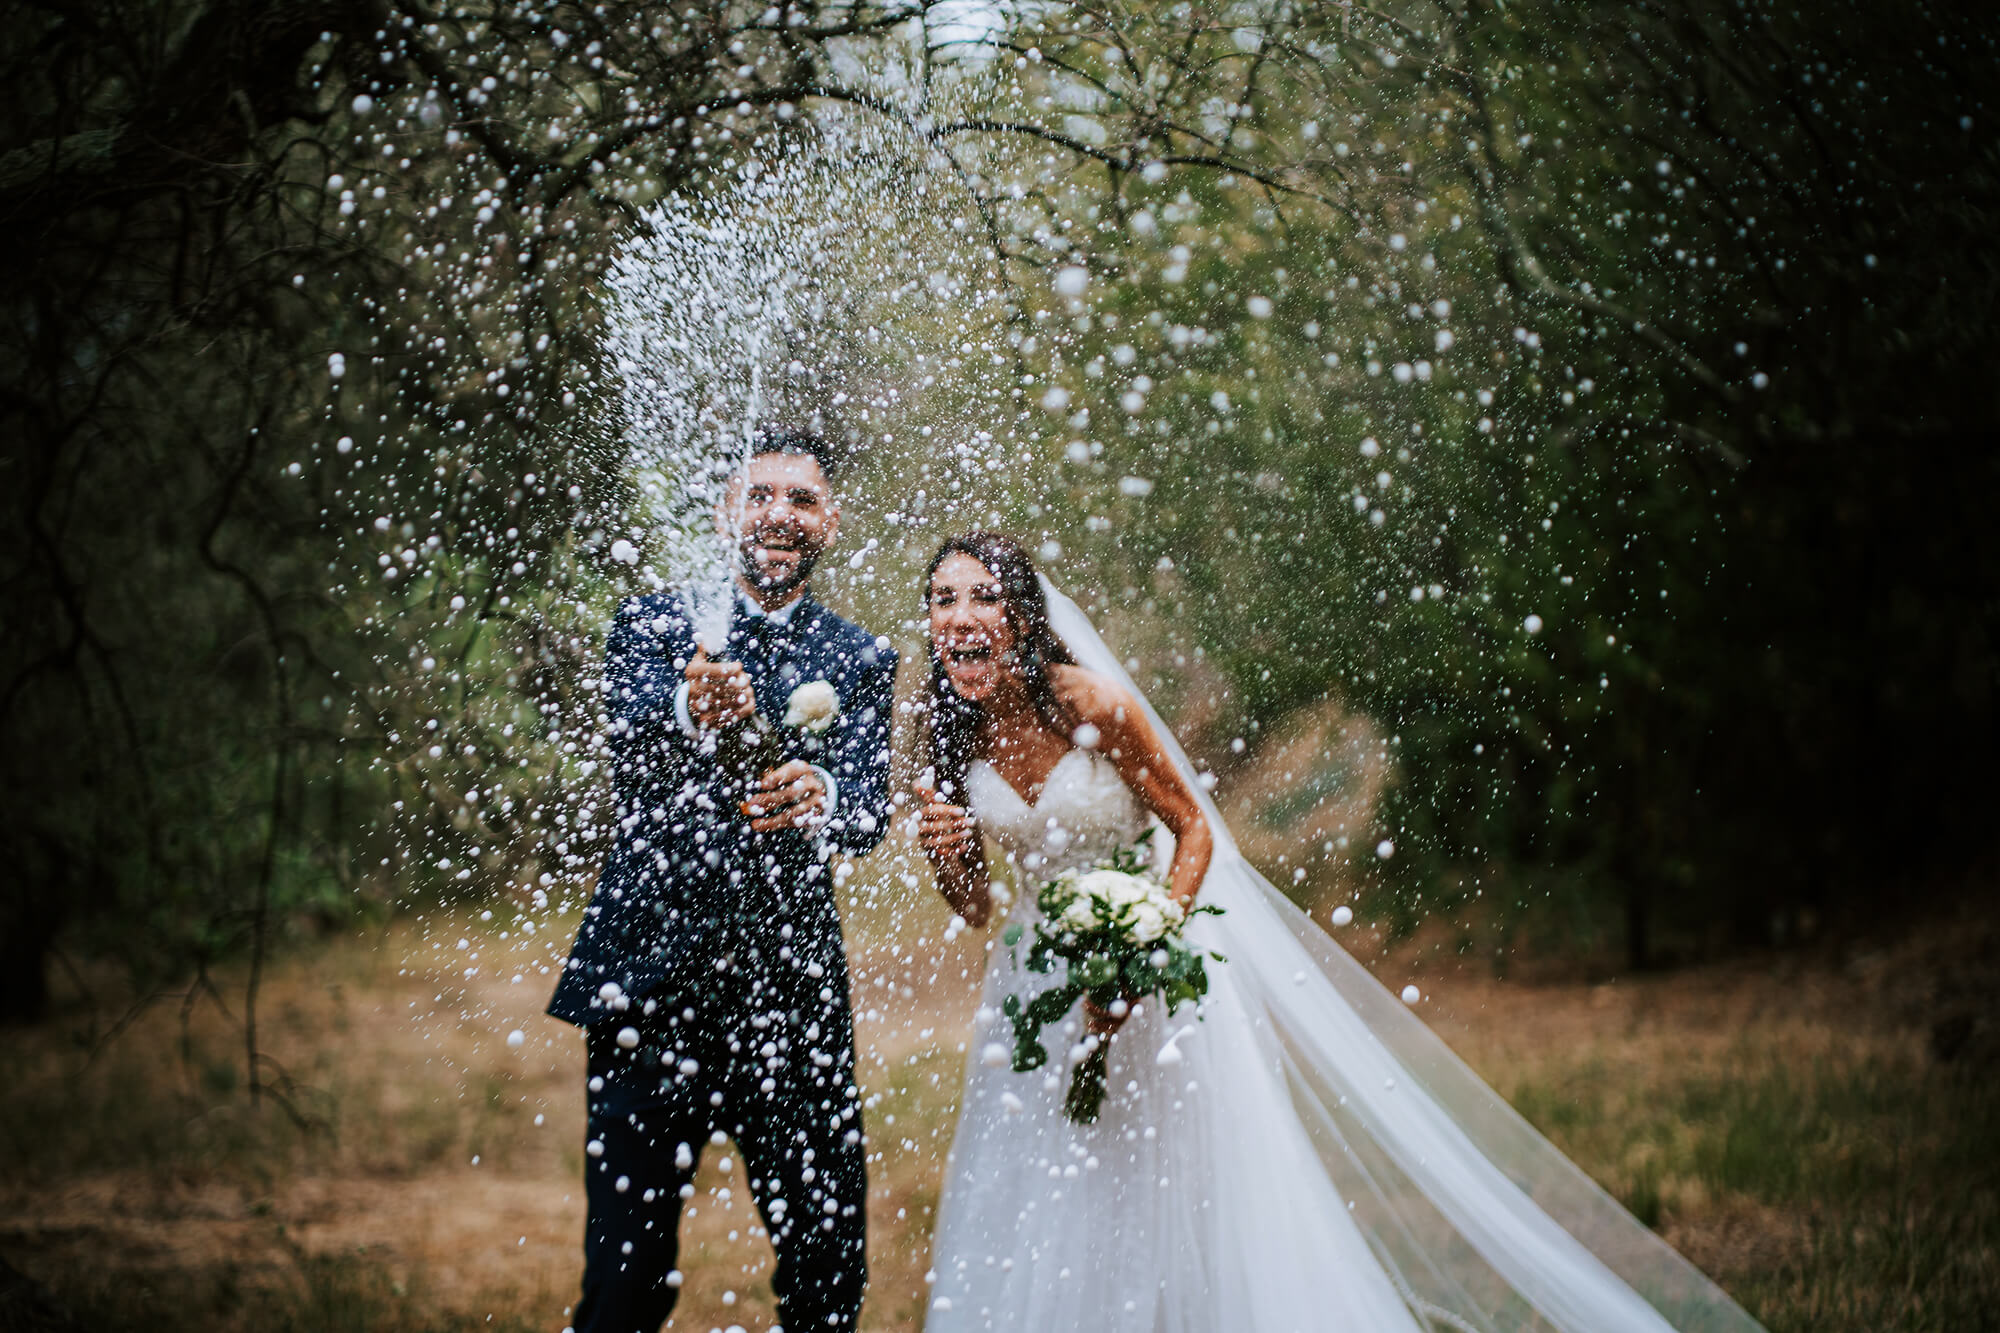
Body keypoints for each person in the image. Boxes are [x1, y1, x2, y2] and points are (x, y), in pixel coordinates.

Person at [913, 531, 1767, 1333]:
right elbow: (979, 906)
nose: (958, 617)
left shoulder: (1089, 704)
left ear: (1020, 618)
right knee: (1052, 1191)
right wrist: (945, 853)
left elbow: (1196, 828)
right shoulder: (946, 733)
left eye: (979, 598)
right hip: (1035, 989)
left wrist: (1143, 951)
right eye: (942, 599)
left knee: (1172, 1186)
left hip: (1152, 978)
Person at [547, 428, 896, 1333]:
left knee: (828, 1271)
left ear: (832, 522)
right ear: (725, 514)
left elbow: (864, 809)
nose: (780, 514)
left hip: (789, 997)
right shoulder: (655, 627)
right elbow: (631, 748)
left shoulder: (860, 659)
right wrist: (686, 706)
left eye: (803, 500)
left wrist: (817, 788)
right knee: (625, 1285)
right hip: (650, 991)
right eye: (762, 495)